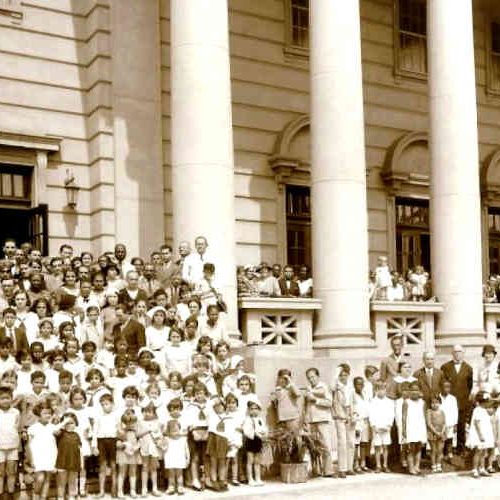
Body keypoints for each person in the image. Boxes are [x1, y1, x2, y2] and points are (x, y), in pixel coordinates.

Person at [440, 344, 473, 453]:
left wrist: (465, 398)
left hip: (462, 401)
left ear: (463, 353)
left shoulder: (468, 368)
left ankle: (460, 447)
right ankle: (445, 448)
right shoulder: (445, 367)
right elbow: (443, 384)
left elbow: (470, 385)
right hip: (448, 402)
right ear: (452, 353)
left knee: (461, 425)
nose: (457, 354)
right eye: (455, 352)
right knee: (447, 424)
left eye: (460, 352)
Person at [304, 367, 333, 477]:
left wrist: (316, 400)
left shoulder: (323, 387)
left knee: (325, 445)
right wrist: (306, 420)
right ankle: (316, 470)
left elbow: (330, 403)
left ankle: (328, 470)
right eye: (309, 378)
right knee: (313, 446)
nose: (311, 380)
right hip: (311, 420)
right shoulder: (308, 389)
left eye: (313, 377)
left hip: (322, 419)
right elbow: (307, 406)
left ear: (318, 376)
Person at [91, 393, 120, 497]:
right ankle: (101, 490)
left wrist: (119, 440)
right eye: (102, 404)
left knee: (113, 466)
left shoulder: (116, 416)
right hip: (101, 441)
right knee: (102, 466)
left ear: (112, 404)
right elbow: (94, 431)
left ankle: (114, 489)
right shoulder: (98, 416)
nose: (104, 406)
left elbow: (119, 429)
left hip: (113, 441)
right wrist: (94, 446)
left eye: (107, 404)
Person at [332, 366, 355, 478]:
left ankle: (350, 467)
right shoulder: (336, 387)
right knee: (342, 442)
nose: (343, 377)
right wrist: (336, 374)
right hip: (340, 416)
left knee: (351, 442)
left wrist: (353, 415)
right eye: (341, 375)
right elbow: (336, 403)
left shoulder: (350, 387)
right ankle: (342, 469)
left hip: (350, 416)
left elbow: (352, 402)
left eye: (345, 375)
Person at [163, 398, 189, 495]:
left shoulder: (183, 420)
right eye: (172, 409)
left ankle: (180, 486)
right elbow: (164, 432)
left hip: (179, 448)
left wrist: (187, 457)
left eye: (177, 408)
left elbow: (185, 433)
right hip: (170, 450)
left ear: (180, 409)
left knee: (179, 470)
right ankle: (171, 486)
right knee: (171, 470)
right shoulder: (166, 419)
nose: (175, 411)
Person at [467, 391, 495, 478]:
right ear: (483, 402)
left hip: (485, 433)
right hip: (479, 434)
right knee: (478, 452)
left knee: (484, 452)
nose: (488, 404)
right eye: (487, 402)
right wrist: (480, 435)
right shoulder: (478, 410)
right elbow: (477, 423)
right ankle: (475, 469)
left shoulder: (484, 410)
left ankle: (482, 468)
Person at [368, 381, 394, 473]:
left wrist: (389, 425)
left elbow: (391, 414)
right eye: (379, 389)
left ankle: (385, 465)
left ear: (385, 390)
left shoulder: (389, 402)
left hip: (386, 427)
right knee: (377, 447)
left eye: (383, 389)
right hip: (377, 427)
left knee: (385, 446)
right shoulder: (372, 401)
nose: (381, 391)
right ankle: (378, 465)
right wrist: (374, 426)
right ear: (376, 390)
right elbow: (371, 414)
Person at [55, 412, 82, 500]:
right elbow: (55, 431)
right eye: (67, 423)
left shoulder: (77, 435)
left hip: (74, 462)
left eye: (71, 423)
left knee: (72, 482)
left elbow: (79, 450)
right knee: (61, 483)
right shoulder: (60, 433)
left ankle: (71, 496)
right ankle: (60, 497)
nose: (69, 425)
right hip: (62, 462)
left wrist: (81, 463)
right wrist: (63, 423)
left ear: (76, 423)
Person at [0, 385, 20, 497]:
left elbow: (16, 427)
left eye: (7, 398)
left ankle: (11, 493)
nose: (5, 400)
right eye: (2, 398)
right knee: (0, 472)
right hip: (0, 447)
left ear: (11, 398)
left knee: (11, 471)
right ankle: (1, 493)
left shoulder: (15, 412)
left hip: (12, 446)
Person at [242, 398, 267, 486]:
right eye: (252, 409)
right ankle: (250, 479)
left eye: (256, 408)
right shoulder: (248, 419)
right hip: (251, 441)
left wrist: (264, 433)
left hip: (258, 441)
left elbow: (264, 428)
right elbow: (246, 431)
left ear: (259, 409)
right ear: (248, 410)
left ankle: (258, 478)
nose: (254, 411)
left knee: (257, 461)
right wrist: (255, 433)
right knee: (250, 461)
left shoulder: (260, 419)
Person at [440, 380, 459, 462]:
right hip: (440, 423)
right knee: (441, 439)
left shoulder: (452, 398)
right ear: (441, 387)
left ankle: (449, 453)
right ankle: (441, 454)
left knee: (449, 438)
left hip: (450, 422)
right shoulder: (437, 397)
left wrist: (455, 424)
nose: (446, 389)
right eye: (445, 387)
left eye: (448, 387)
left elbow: (455, 411)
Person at [426, 396, 446, 473]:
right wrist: (436, 432)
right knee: (434, 450)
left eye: (436, 402)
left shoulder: (442, 412)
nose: (435, 404)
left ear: (440, 403)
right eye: (433, 403)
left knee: (440, 450)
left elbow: (444, 423)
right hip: (432, 433)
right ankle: (433, 465)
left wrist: (442, 432)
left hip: (441, 433)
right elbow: (429, 423)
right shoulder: (429, 411)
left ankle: (439, 464)